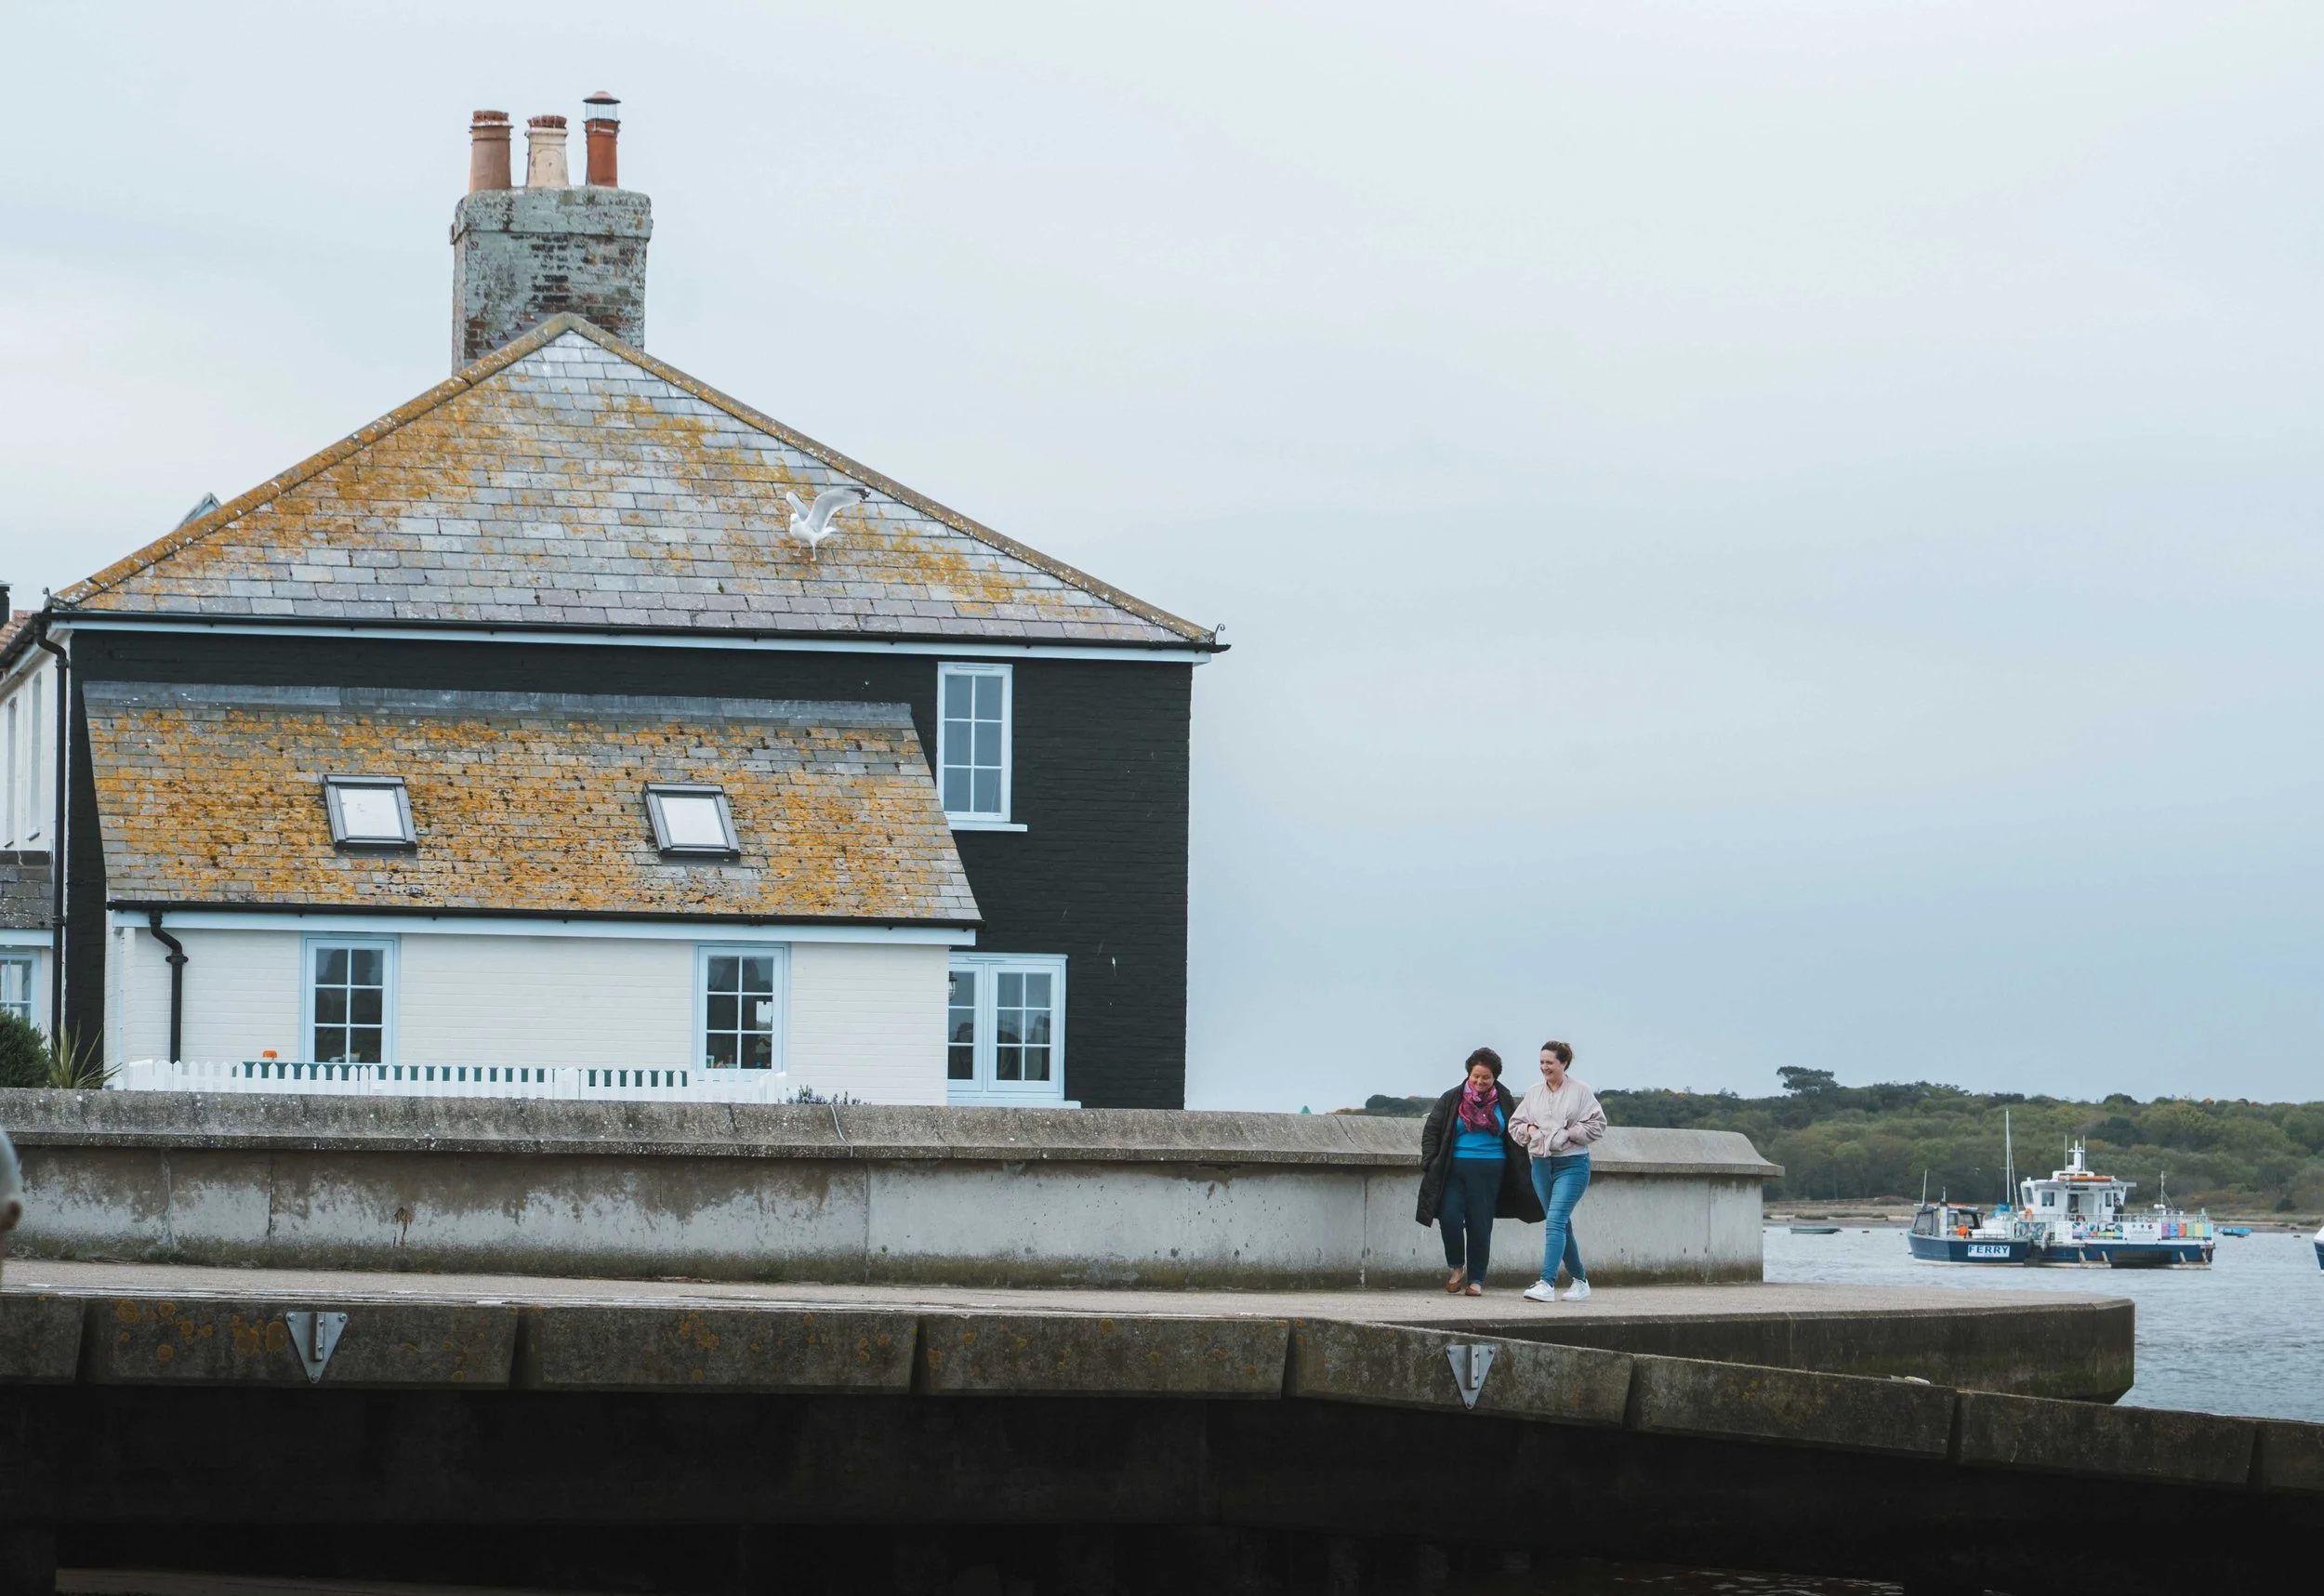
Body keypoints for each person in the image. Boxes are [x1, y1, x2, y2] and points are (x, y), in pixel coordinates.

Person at [1416, 1047, 1545, 1294]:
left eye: (1486, 1077)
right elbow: (1432, 1131)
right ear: (1468, 1074)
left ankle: (1476, 1279)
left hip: (1491, 1170)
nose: (1480, 1082)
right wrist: (1430, 1163)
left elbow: (1518, 1131)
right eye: (1476, 1076)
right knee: (1450, 1217)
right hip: (1453, 1168)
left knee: (1480, 1223)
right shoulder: (1452, 1098)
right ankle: (1456, 1267)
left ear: (1495, 1077)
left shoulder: (1505, 1101)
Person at [1508, 1039, 1606, 1302]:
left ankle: (1547, 1282)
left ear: (1563, 1063)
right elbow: (1515, 1124)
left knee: (1555, 1220)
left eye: (1549, 1062)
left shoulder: (1581, 1091)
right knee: (1562, 1223)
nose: (1544, 1067)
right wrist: (1529, 1130)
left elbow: (1598, 1125)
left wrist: (1568, 1134)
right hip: (1540, 1165)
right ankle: (1580, 1280)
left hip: (1572, 1165)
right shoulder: (1533, 1092)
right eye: (1541, 1062)